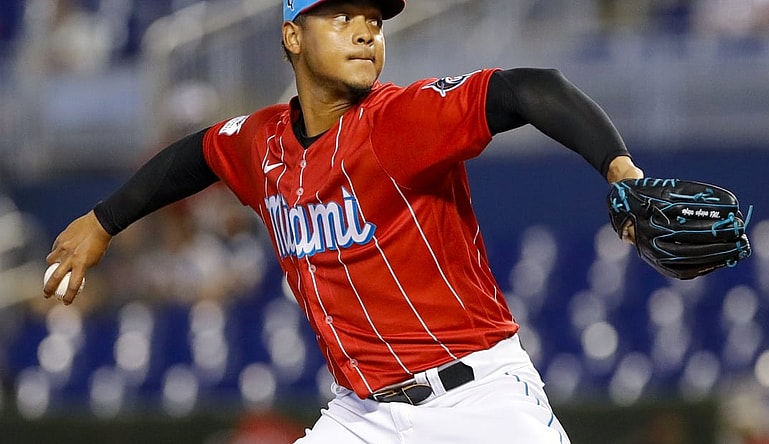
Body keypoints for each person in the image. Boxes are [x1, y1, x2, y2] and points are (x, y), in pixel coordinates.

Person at [44, 0, 645, 442]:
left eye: (375, 21)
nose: (365, 32)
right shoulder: (263, 142)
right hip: (361, 417)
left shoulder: (403, 120)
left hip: (476, 402)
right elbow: (197, 155)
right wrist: (103, 220)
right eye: (341, 16)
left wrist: (618, 168)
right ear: (292, 36)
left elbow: (531, 89)